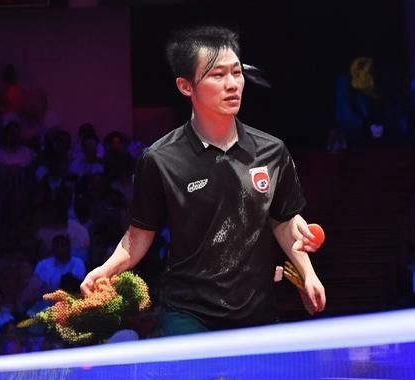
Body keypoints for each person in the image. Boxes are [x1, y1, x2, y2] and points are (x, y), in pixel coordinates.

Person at [81, 26, 325, 334]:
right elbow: (139, 235)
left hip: (257, 311)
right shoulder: (160, 159)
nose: (232, 84)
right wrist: (106, 269)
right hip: (189, 313)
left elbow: (284, 220)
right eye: (217, 75)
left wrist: (308, 274)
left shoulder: (272, 152)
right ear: (186, 86)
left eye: (236, 73)